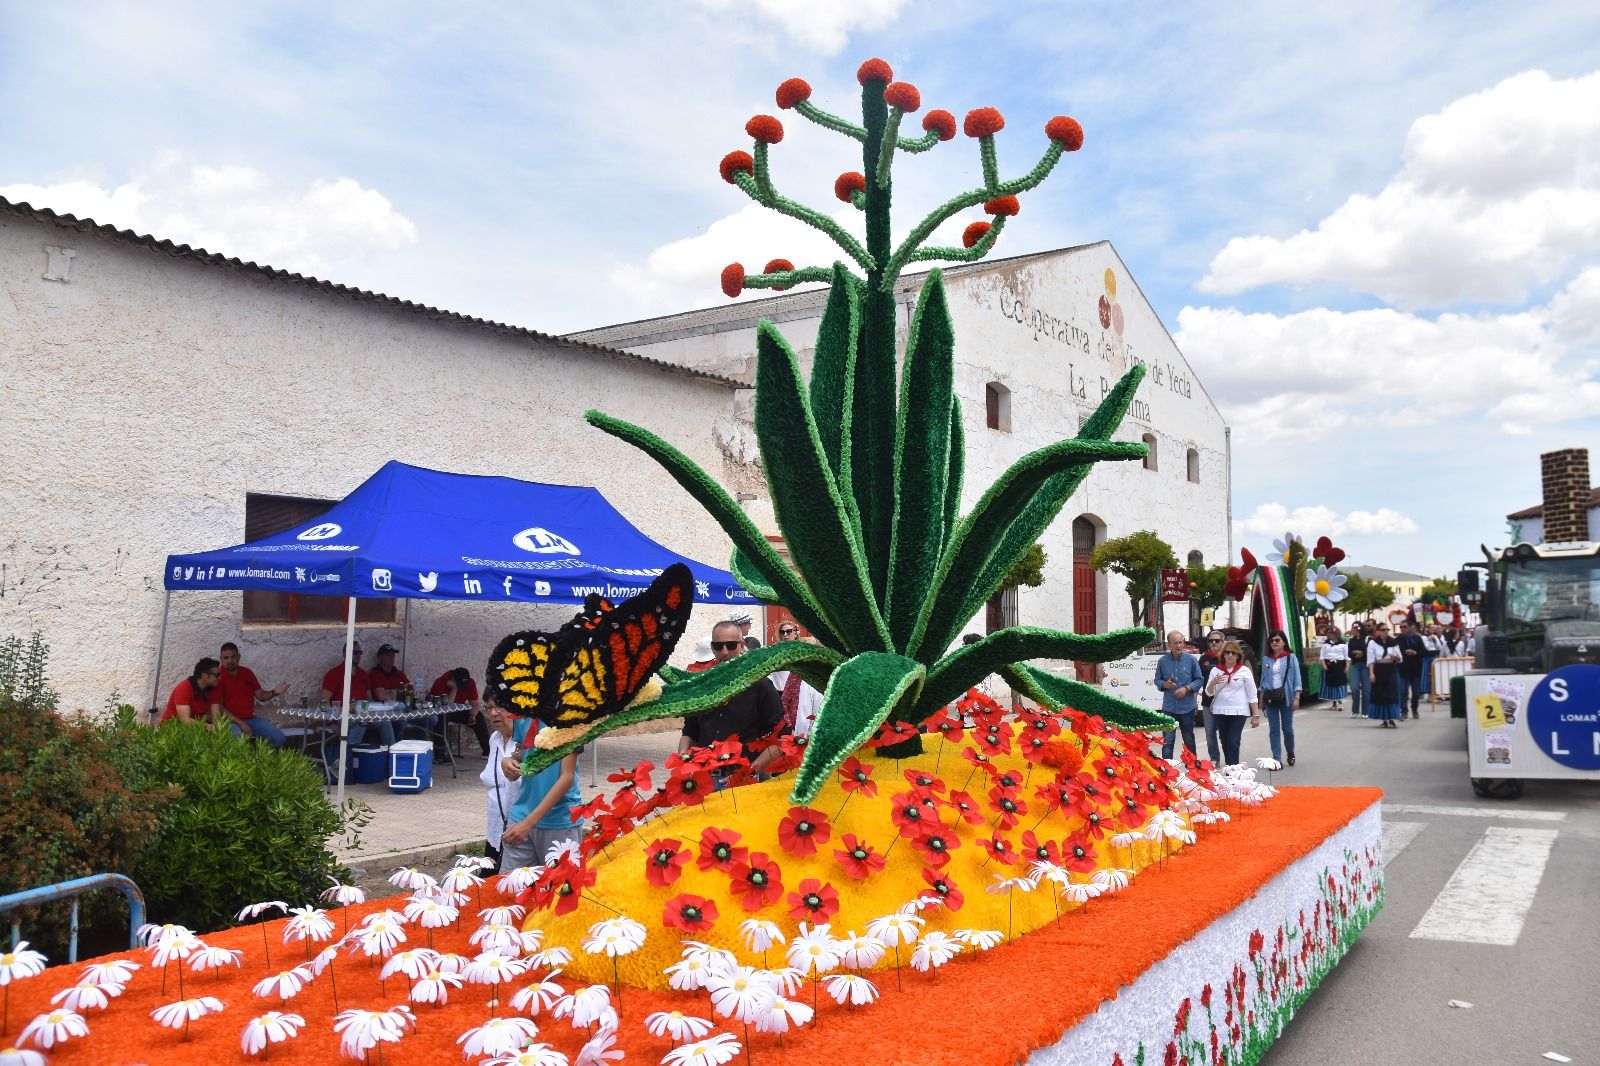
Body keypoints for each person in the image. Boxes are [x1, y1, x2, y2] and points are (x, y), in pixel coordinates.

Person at [679, 620, 784, 781]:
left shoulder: (760, 685)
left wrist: (750, 772)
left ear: (742, 645)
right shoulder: (702, 685)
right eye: (718, 646)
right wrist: (683, 760)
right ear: (712, 648)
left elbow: (781, 736)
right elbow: (690, 730)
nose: (725, 652)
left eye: (731, 645)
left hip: (747, 778)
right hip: (706, 777)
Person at [498, 694, 583, 872]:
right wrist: (508, 762)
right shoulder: (524, 713)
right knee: (510, 890)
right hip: (521, 817)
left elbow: (566, 778)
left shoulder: (571, 715)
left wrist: (529, 824)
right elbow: (523, 754)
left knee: (559, 892)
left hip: (559, 822)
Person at [319, 641, 395, 749]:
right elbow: (324, 701)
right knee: (361, 722)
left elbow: (370, 700)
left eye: (360, 652)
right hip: (342, 716)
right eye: (355, 652)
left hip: (363, 715)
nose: (358, 655)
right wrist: (331, 723)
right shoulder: (334, 674)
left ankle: (393, 755)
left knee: (384, 720)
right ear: (345, 653)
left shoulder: (363, 675)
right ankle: (347, 759)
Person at [214, 642, 290, 747]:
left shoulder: (247, 673)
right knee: (239, 742)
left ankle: (255, 757)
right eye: (226, 658)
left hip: (250, 719)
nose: (230, 660)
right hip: (229, 722)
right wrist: (241, 724)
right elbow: (220, 707)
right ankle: (249, 756)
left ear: (239, 657)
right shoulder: (217, 677)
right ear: (221, 658)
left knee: (279, 738)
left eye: (233, 657)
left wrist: (274, 692)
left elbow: (260, 695)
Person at [478, 693, 523, 871]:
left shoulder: (526, 743)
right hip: (495, 828)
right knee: (487, 883)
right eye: (489, 708)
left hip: (519, 831)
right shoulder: (494, 739)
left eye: (499, 707)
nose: (494, 713)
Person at [1202, 640, 1259, 765]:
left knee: (1233, 741)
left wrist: (1255, 715)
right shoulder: (1216, 670)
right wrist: (1213, 683)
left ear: (1238, 655)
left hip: (1239, 711)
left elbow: (1252, 693)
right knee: (1224, 741)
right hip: (1220, 710)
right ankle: (1230, 768)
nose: (1230, 655)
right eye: (1227, 652)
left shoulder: (1244, 670)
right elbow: (1209, 693)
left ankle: (1234, 770)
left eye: (1233, 653)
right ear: (1223, 655)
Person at [1154, 630, 1202, 759]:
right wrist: (1165, 684)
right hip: (1169, 708)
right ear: (1169, 645)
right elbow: (1157, 680)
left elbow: (1199, 680)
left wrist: (1187, 689)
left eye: (1181, 642)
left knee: (1189, 741)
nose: (1179, 646)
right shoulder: (1162, 661)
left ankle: (1193, 772)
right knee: (1168, 742)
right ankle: (1167, 772)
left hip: (1187, 708)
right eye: (1175, 643)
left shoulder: (1191, 660)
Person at [1258, 630, 1301, 766]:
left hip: (1286, 698)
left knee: (1287, 728)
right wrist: (1261, 697)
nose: (1274, 643)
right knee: (1274, 729)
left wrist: (1297, 697)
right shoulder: (1266, 659)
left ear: (1284, 642)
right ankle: (1276, 758)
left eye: (1277, 640)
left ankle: (1290, 752)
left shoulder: (1291, 657)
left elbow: (1297, 679)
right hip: (1270, 698)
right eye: (1272, 641)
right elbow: (1263, 680)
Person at [433, 666, 490, 757]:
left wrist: (473, 715)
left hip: (458, 710)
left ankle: (488, 750)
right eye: (460, 685)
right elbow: (446, 706)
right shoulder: (442, 682)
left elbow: (474, 703)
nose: (462, 687)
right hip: (441, 710)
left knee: (479, 716)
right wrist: (454, 689)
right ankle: (440, 754)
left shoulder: (470, 683)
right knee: (442, 717)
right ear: (452, 679)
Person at [161, 657, 222, 724]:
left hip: (196, 725)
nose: (220, 677)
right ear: (204, 675)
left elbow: (216, 718)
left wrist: (217, 729)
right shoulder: (184, 688)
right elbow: (184, 720)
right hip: (173, 727)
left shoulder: (215, 687)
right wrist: (208, 727)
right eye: (217, 675)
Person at [1366, 623, 1403, 727]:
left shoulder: (1393, 642)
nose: (1386, 631)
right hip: (1379, 669)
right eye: (1383, 629)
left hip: (1391, 669)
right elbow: (1371, 660)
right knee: (1380, 694)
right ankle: (1384, 720)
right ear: (1378, 631)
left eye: (1387, 629)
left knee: (1391, 694)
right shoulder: (1373, 643)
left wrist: (1396, 658)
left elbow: (1400, 657)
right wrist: (1371, 673)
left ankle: (1391, 718)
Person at [1198, 630, 1225, 763]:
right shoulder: (1204, 659)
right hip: (1208, 702)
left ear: (1223, 642)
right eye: (1211, 640)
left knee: (1224, 734)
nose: (1214, 643)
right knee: (1210, 733)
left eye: (1217, 640)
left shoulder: (1228, 657)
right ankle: (1215, 759)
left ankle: (1231, 760)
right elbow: (1198, 678)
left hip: (1224, 703)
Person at [1396, 621, 1427, 719]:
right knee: (1403, 691)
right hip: (1403, 669)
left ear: (1409, 627)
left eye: (1404, 627)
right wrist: (1404, 653)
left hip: (1415, 669)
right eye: (1400, 627)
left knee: (1416, 692)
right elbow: (1396, 651)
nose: (1402, 629)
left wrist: (1415, 653)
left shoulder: (1417, 638)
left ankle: (1414, 709)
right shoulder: (1398, 639)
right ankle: (1404, 711)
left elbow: (1424, 652)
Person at [1319, 628, 1349, 714]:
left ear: (1335, 634)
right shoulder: (1326, 644)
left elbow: (1347, 656)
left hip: (1339, 665)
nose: (1328, 635)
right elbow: (1322, 656)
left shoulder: (1343, 644)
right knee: (1331, 684)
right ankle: (1334, 703)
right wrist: (1323, 664)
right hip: (1329, 665)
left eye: (1330, 633)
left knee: (1339, 684)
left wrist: (1347, 666)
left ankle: (1340, 702)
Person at [1346, 622, 1369, 719]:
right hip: (1355, 665)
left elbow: (1370, 650)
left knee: (1366, 689)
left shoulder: (1368, 639)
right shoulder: (1351, 640)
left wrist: (1362, 653)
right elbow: (1349, 653)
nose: (1352, 630)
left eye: (1353, 628)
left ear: (1358, 629)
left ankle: (1365, 711)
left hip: (1365, 665)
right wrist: (1355, 652)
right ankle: (1355, 710)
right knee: (1354, 688)